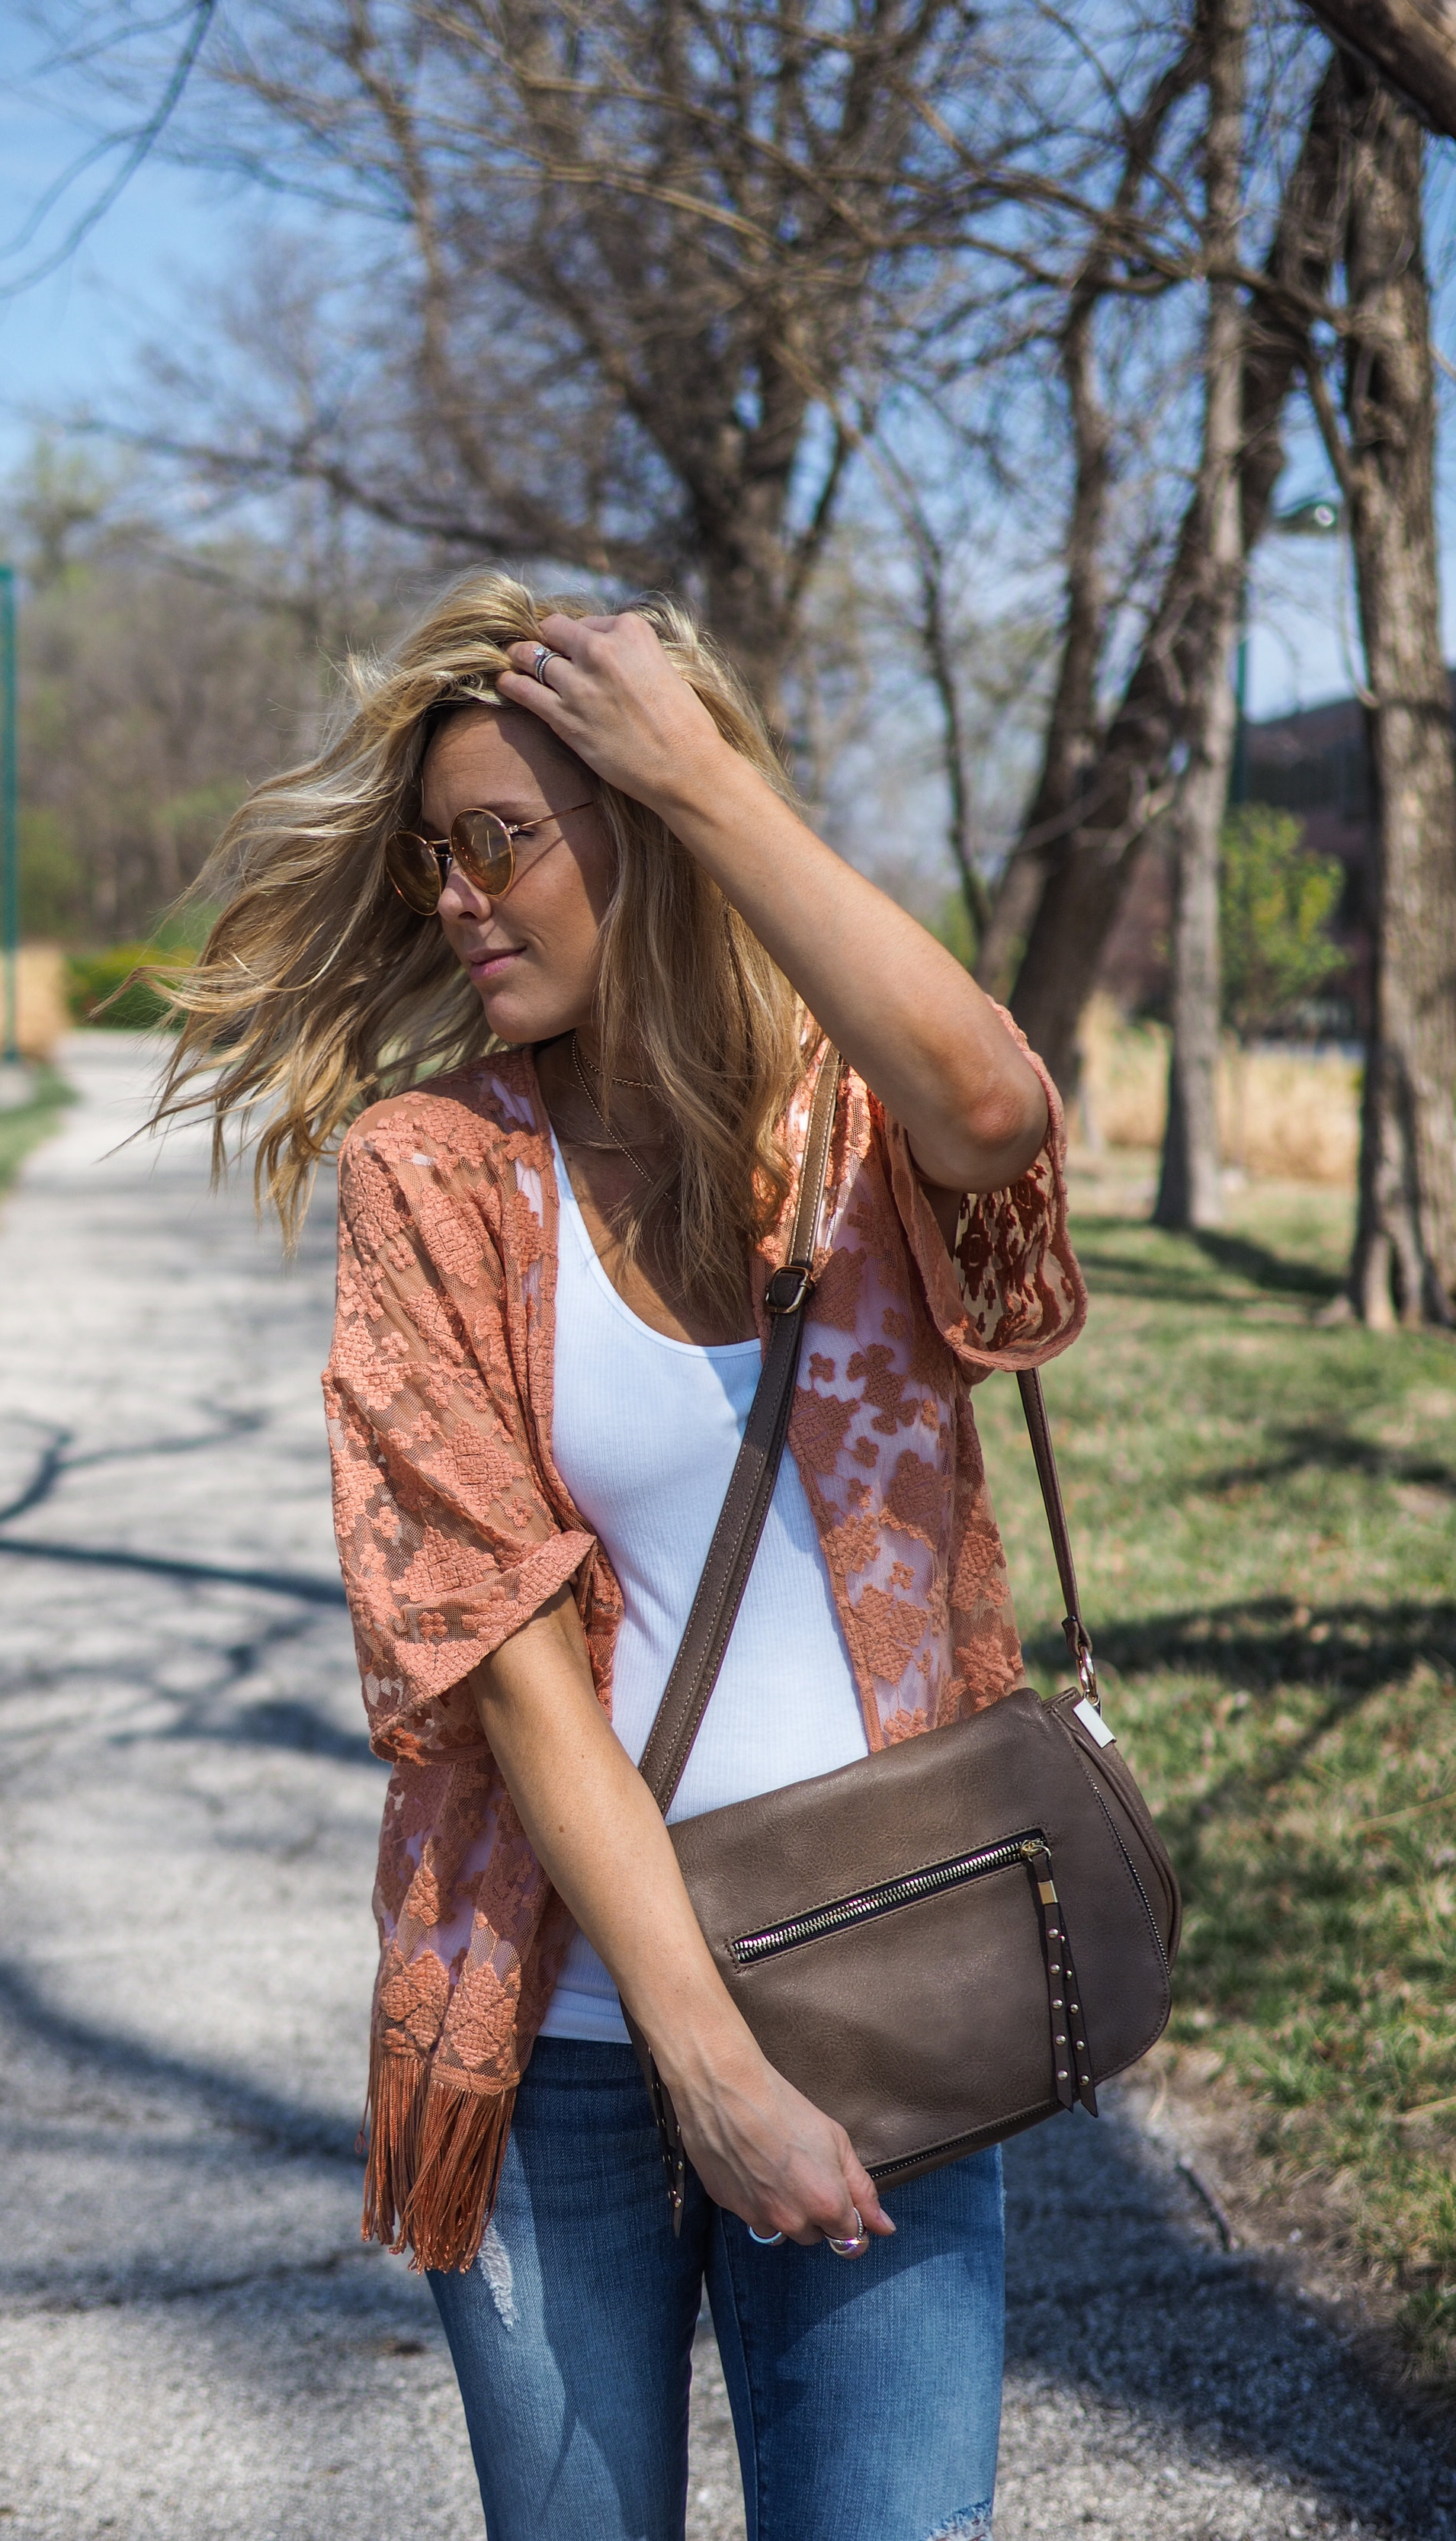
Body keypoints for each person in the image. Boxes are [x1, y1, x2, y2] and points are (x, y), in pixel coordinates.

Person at [156, 573, 1086, 2541]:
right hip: (562, 2042)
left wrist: (705, 781)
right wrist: (708, 2066)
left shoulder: (853, 1136)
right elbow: (506, 1665)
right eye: (431, 860)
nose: (456, 898)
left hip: (889, 1999)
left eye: (500, 840)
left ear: (648, 816)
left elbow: (995, 1108)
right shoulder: (433, 1176)